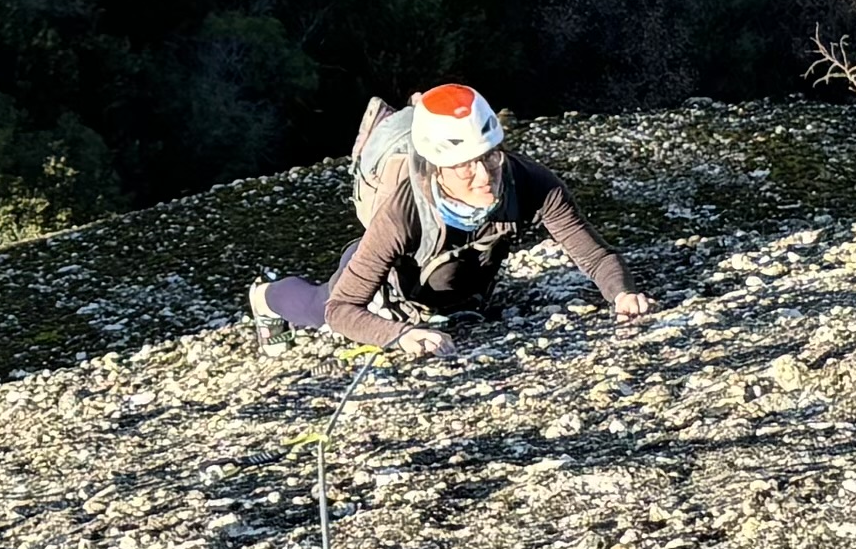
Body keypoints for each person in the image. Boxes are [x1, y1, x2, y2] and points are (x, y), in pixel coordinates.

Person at [248, 84, 649, 352]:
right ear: (436, 168)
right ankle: (266, 297)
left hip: (454, 277)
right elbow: (343, 308)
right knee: (319, 310)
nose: (483, 175)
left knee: (458, 288)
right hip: (393, 274)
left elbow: (594, 256)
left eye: (490, 157)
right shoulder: (403, 209)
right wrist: (400, 335)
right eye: (463, 166)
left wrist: (621, 292)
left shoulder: (529, 180)